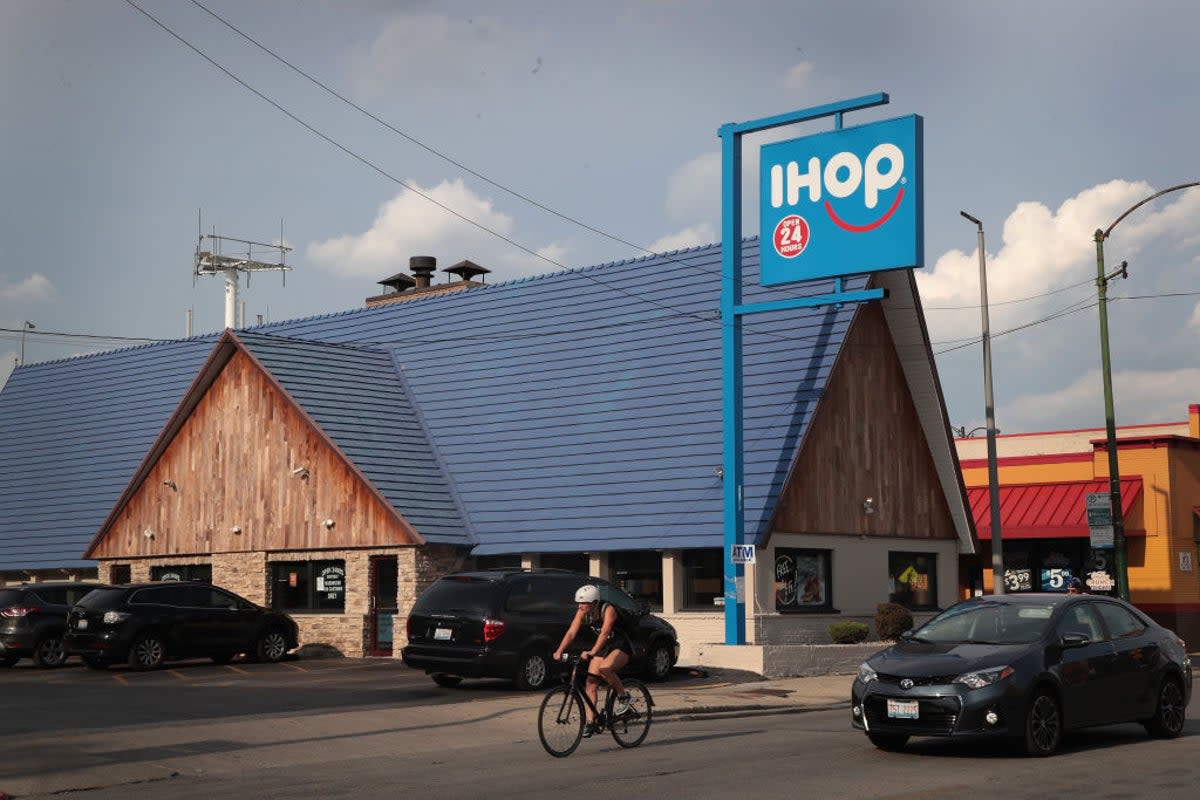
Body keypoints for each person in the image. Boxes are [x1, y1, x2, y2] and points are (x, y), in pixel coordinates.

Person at [552, 584, 632, 736]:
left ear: (594, 603)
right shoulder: (582, 612)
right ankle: (591, 722)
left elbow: (605, 632)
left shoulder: (608, 610)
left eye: (584, 603)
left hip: (620, 646)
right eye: (579, 603)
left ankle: (624, 697)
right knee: (591, 683)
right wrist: (559, 650)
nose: (580, 606)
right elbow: (571, 632)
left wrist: (592, 652)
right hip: (603, 647)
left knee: (605, 669)